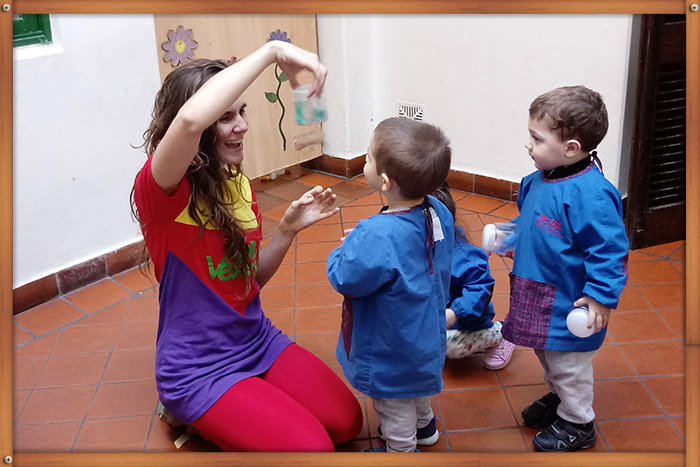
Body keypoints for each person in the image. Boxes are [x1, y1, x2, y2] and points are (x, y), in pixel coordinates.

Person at [130, 40, 363, 452]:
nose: (241, 126)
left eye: (242, 112)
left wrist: (287, 230)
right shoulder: (161, 192)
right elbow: (188, 121)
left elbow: (247, 282)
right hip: (199, 370)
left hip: (256, 340)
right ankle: (195, 414)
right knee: (315, 450)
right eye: (225, 117)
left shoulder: (237, 184)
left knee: (347, 423)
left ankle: (244, 408)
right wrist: (274, 51)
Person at [501, 85, 629, 452]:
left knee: (568, 364)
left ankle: (578, 421)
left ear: (571, 148)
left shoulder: (591, 194)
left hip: (569, 301)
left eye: (537, 139)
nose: (528, 145)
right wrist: (515, 238)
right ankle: (560, 398)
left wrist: (600, 297)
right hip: (537, 289)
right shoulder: (537, 179)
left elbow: (610, 250)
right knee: (548, 354)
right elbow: (534, 220)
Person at [326, 117, 454, 452]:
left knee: (393, 403)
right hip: (425, 333)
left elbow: (346, 278)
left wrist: (345, 250)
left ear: (384, 181)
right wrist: (365, 243)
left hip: (390, 344)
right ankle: (425, 427)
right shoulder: (439, 211)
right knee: (415, 386)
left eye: (368, 157)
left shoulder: (378, 233)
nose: (365, 161)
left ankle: (400, 450)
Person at [431, 183, 515, 370]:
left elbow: (480, 289)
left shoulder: (465, 258)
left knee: (451, 345)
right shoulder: (417, 245)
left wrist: (455, 313)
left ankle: (500, 333)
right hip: (433, 313)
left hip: (464, 320)